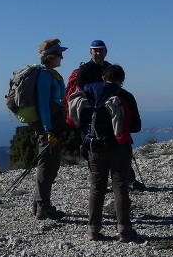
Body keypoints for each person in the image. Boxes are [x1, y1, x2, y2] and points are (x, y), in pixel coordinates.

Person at [69, 63, 142, 242]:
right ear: (122, 81)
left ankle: (93, 231)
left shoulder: (89, 93)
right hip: (120, 147)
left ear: (103, 77)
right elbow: (136, 126)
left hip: (95, 147)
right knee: (120, 187)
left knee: (96, 187)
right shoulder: (125, 95)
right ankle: (124, 231)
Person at [73, 39, 144, 191]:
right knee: (98, 148)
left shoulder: (107, 67)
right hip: (93, 117)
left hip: (108, 115)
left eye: (100, 50)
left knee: (109, 145)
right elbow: (81, 94)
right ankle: (107, 182)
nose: (98, 53)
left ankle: (124, 179)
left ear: (106, 52)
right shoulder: (85, 70)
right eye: (95, 50)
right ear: (90, 52)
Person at [32, 38, 69, 220]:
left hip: (55, 124)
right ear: (50, 57)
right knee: (48, 167)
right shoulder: (45, 76)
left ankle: (39, 206)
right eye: (59, 54)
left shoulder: (51, 74)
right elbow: (43, 105)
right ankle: (43, 206)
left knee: (49, 166)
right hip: (49, 127)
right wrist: (48, 131)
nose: (62, 57)